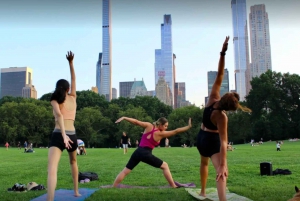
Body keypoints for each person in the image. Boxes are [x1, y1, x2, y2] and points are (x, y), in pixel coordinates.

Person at [196, 36, 251, 201]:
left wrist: (223, 52)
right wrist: (222, 164)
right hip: (212, 142)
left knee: (203, 163)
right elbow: (223, 142)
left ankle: (203, 192)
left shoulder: (212, 98)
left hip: (201, 138)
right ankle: (222, 200)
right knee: (221, 172)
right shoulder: (222, 118)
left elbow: (220, 73)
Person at [113, 117, 192, 188]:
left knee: (125, 170)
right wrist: (188, 126)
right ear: (160, 124)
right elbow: (176, 131)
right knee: (165, 166)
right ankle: (173, 185)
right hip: (145, 153)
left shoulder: (148, 125)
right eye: (165, 126)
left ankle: (114, 186)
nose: (166, 128)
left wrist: (124, 117)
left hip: (138, 151)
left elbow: (136, 122)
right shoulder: (160, 134)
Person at [47, 51, 81, 201]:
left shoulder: (54, 99)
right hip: (72, 135)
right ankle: (76, 192)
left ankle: (50, 199)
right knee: (73, 161)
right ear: (68, 89)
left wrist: (62, 136)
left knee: (52, 168)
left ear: (57, 88)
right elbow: (74, 79)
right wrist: (71, 63)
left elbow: (59, 115)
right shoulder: (73, 98)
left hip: (58, 134)